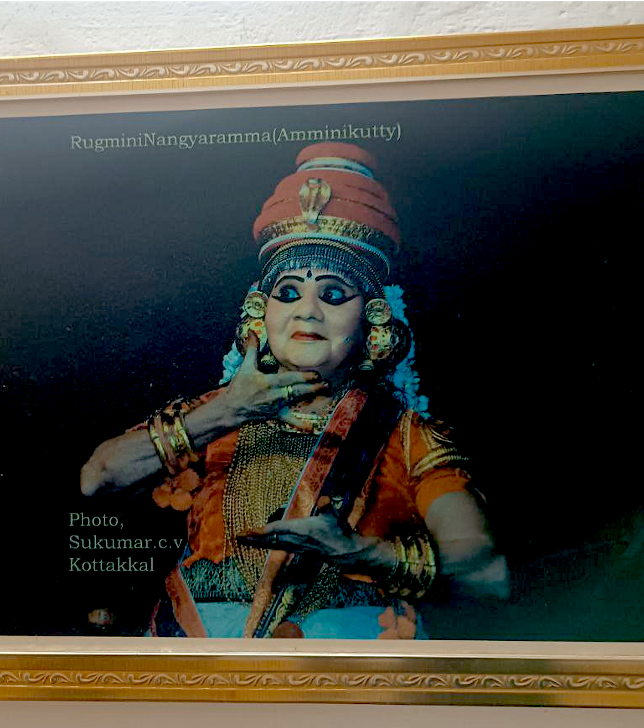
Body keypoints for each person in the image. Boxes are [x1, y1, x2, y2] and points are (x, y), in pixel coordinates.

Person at [80, 142, 508, 639]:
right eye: (287, 293)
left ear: (373, 323)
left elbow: (485, 573)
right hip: (201, 677)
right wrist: (229, 411)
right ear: (262, 314)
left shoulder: (405, 435)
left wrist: (359, 552)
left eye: (332, 294)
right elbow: (97, 478)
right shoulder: (213, 418)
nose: (307, 311)